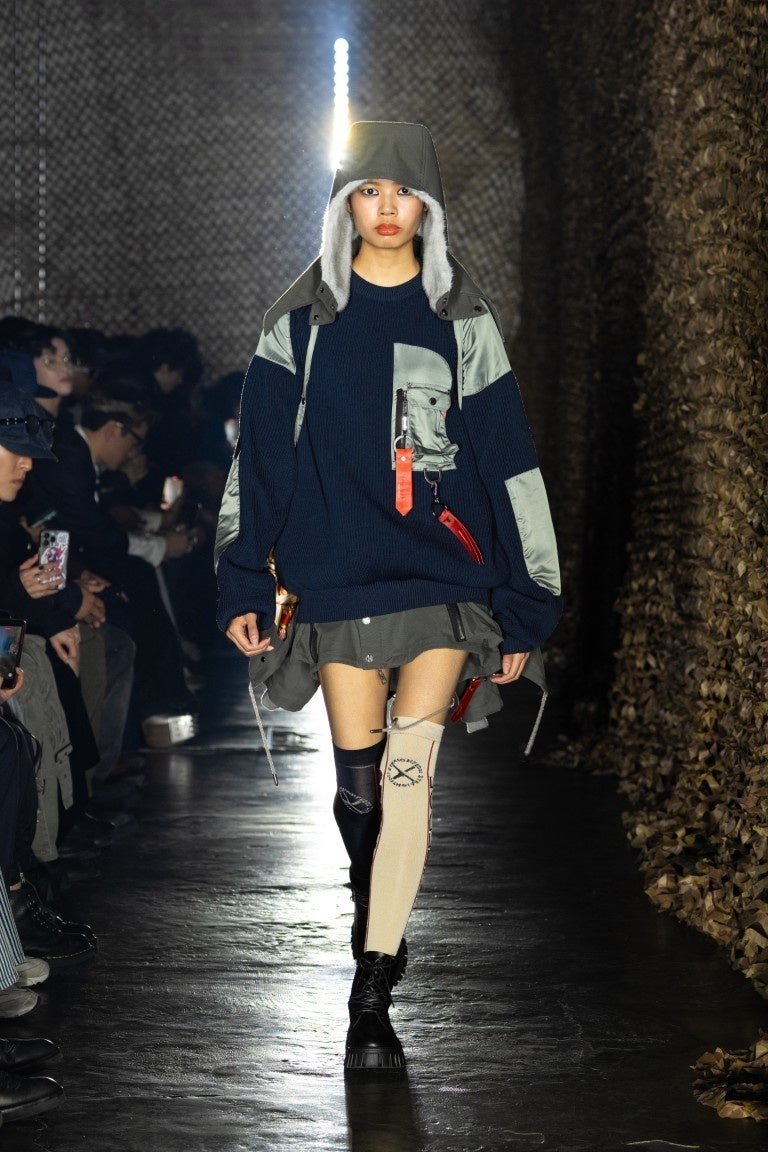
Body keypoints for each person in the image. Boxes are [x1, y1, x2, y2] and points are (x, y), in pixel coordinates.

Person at [215, 121, 563, 1072]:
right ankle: (379, 905)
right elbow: (261, 461)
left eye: (404, 193)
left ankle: (371, 990)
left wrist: (526, 599)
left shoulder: (463, 321)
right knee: (358, 789)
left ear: (429, 209)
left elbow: (509, 463)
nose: (386, 209)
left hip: (444, 576)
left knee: (410, 771)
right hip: (334, 575)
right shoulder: (298, 325)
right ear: (343, 205)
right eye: (367, 192)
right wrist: (243, 575)